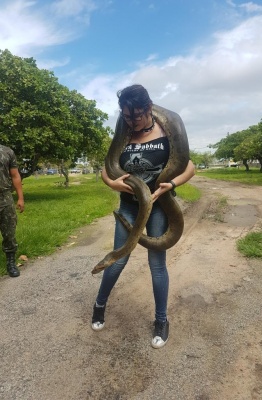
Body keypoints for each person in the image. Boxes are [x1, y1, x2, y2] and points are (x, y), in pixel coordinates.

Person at [91, 84, 195, 348]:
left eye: (136, 116)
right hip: (128, 205)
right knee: (117, 260)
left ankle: (161, 320)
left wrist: (171, 185)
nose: (132, 121)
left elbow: (189, 167)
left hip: (159, 205)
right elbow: (108, 168)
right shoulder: (123, 133)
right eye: (126, 116)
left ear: (149, 108)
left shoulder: (167, 130)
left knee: (157, 264)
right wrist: (111, 183)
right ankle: (99, 304)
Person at [0, 144, 24, 277]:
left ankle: (10, 262)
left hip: (4, 197)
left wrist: (20, 198)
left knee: (9, 232)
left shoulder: (7, 152)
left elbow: (15, 175)